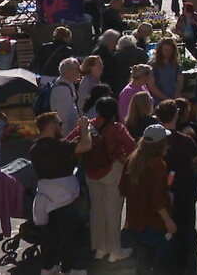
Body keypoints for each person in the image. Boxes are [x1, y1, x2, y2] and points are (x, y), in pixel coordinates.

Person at [67, 96, 135, 263]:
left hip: (91, 171)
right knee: (113, 211)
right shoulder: (117, 127)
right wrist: (120, 156)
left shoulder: (88, 125)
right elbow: (132, 145)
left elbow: (69, 141)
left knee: (97, 211)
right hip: (112, 170)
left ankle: (100, 248)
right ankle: (115, 250)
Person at [30, 112, 92, 275]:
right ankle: (68, 269)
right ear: (51, 125)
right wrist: (85, 129)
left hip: (46, 196)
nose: (61, 127)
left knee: (50, 234)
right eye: (59, 123)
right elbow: (86, 145)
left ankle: (48, 266)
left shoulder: (34, 149)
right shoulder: (56, 145)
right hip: (63, 196)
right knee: (69, 234)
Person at [119, 124, 177, 274]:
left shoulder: (132, 160)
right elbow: (158, 199)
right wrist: (168, 220)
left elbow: (122, 189)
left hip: (135, 220)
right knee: (163, 263)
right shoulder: (158, 164)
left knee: (142, 263)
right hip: (154, 222)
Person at [155, 100, 197, 272]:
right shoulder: (185, 140)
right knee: (184, 226)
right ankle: (182, 264)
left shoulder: (154, 140)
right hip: (183, 189)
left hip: (160, 189)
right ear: (176, 115)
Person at [49, 57, 81, 130]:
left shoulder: (66, 85)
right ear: (68, 71)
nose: (79, 72)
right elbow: (62, 118)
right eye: (77, 69)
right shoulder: (62, 90)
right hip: (66, 133)